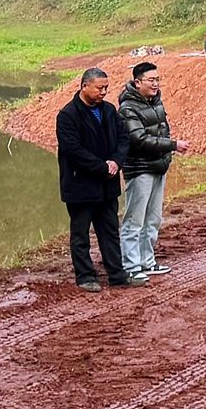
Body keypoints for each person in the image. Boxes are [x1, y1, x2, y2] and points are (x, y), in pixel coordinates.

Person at [56, 68, 146, 291]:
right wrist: (102, 166)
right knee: (81, 234)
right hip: (80, 185)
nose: (104, 92)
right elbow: (73, 150)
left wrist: (116, 161)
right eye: (99, 88)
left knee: (110, 231)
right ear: (84, 86)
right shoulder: (68, 115)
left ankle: (117, 275)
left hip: (107, 184)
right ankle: (86, 276)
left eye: (106, 87)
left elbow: (123, 138)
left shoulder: (109, 110)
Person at [118, 61, 190, 278]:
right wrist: (173, 145)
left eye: (157, 79)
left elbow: (161, 131)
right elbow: (139, 140)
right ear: (137, 82)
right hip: (140, 169)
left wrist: (166, 154)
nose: (156, 83)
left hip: (158, 166)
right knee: (134, 220)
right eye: (151, 80)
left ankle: (147, 262)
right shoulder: (127, 108)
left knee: (153, 218)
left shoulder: (156, 103)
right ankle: (131, 266)